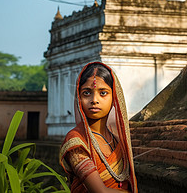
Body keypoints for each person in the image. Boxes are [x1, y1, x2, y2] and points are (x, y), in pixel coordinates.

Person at [59, 62, 138, 192]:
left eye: (103, 93)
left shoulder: (116, 139)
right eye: (86, 93)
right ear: (79, 98)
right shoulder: (76, 141)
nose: (94, 99)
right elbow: (100, 191)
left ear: (114, 98)